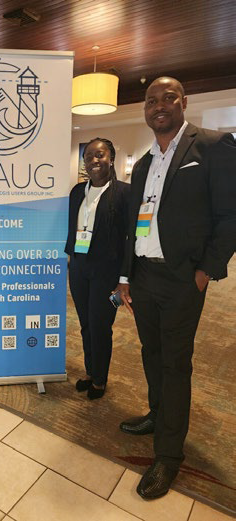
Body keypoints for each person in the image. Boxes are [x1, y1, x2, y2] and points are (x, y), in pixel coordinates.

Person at [117, 77, 236, 499]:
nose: (158, 105)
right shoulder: (145, 162)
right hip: (145, 276)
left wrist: (207, 269)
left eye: (168, 98)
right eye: (151, 100)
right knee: (152, 353)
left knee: (175, 362)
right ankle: (157, 413)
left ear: (183, 103)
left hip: (184, 279)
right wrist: (126, 275)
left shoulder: (213, 145)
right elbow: (137, 220)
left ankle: (168, 455)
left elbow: (229, 214)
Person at [65, 138, 130, 399]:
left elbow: (130, 239)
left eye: (100, 155)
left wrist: (124, 279)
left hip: (109, 273)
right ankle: (91, 372)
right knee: (85, 324)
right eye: (89, 156)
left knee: (102, 324)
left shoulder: (125, 193)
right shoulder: (76, 192)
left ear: (111, 158)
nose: (94, 160)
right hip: (79, 268)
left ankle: (100, 380)